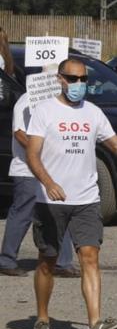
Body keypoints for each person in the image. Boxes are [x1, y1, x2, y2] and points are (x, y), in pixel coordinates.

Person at [25, 58, 117, 329]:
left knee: (90, 258)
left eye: (83, 80)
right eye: (73, 79)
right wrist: (48, 183)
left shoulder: (94, 113)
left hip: (86, 198)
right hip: (51, 200)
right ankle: (42, 317)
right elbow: (32, 155)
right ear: (60, 79)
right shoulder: (44, 111)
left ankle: (95, 323)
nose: (78, 85)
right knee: (47, 261)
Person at [1, 90, 77, 278]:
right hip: (27, 169)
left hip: (53, 169)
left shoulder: (57, 103)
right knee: (23, 213)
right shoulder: (25, 101)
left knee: (60, 210)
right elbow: (19, 132)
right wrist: (40, 151)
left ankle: (63, 262)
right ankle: (7, 260)